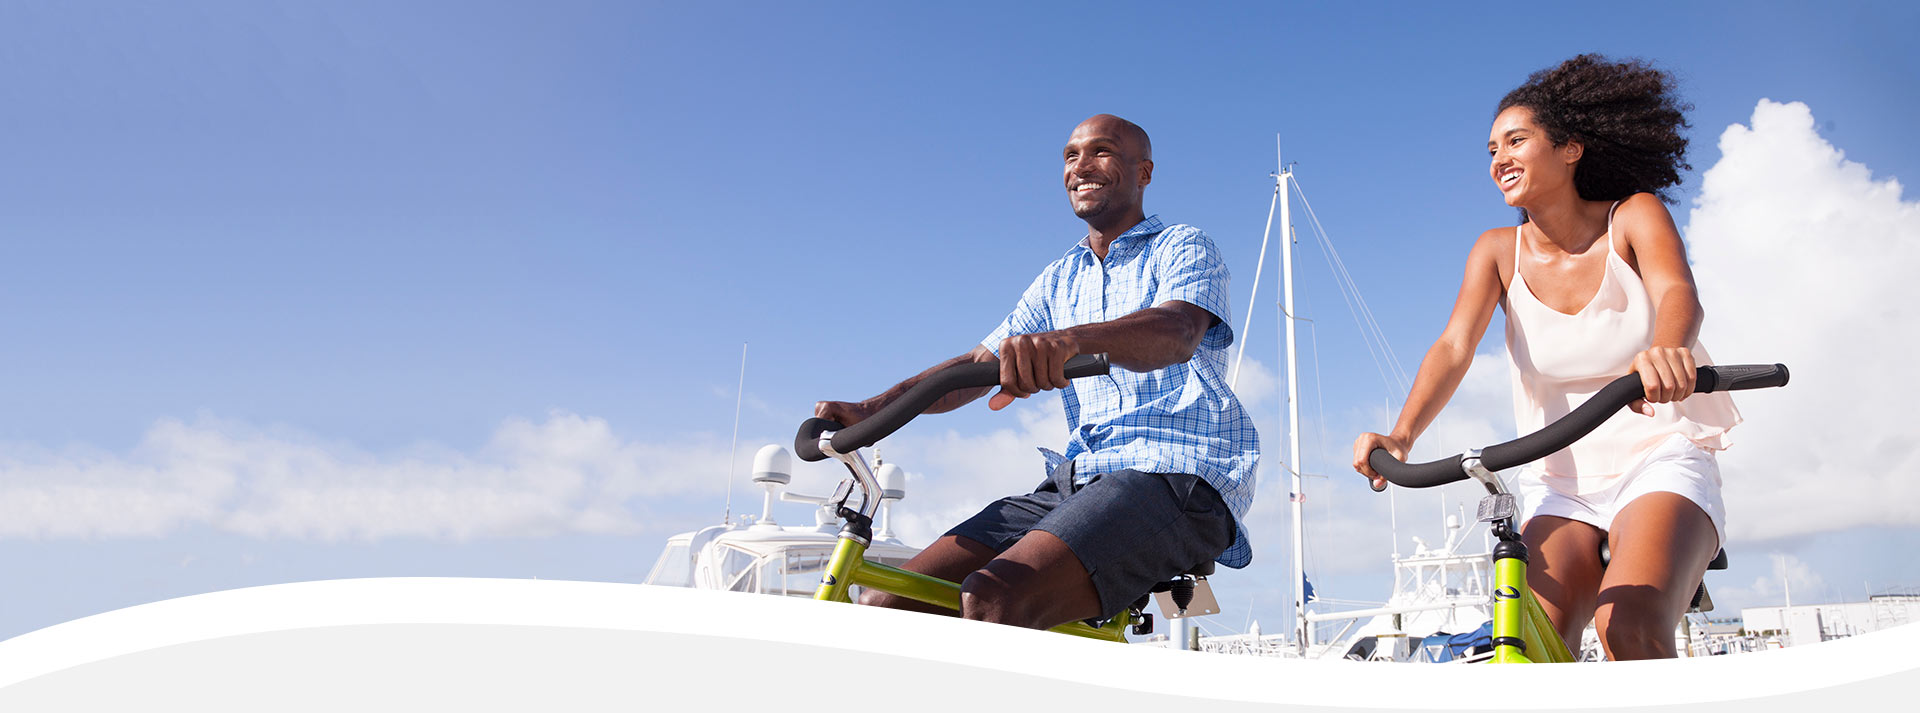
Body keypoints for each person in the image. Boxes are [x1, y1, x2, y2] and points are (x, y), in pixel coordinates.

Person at [1350, 55, 1741, 660]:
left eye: (1516, 140)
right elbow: (1454, 347)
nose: (1498, 159)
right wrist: (1401, 438)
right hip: (1560, 479)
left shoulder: (1633, 216)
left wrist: (1668, 348)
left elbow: (1675, 292)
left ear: (1570, 149)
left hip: (1659, 455)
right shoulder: (1497, 251)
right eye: (1490, 149)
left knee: (1628, 626)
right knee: (1529, 643)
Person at [814, 114, 1259, 631]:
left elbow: (1177, 330)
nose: (1081, 166)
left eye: (1102, 152)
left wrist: (1067, 341)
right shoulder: (1058, 278)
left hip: (1180, 474)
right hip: (1082, 477)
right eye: (1070, 156)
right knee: (886, 608)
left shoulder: (1183, 245)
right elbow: (982, 363)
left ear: (1144, 172)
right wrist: (873, 409)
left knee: (996, 597)